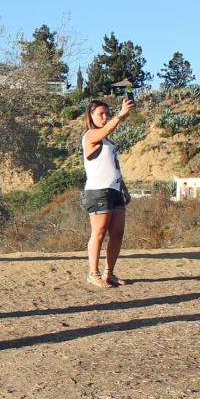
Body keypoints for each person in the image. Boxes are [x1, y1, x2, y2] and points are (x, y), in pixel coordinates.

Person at [81, 98, 134, 288]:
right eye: (100, 114)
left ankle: (108, 273)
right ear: (91, 116)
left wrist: (124, 190)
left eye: (106, 113)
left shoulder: (108, 142)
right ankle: (93, 273)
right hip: (98, 191)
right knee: (99, 233)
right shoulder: (90, 136)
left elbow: (114, 167)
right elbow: (106, 130)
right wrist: (121, 114)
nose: (104, 117)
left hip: (115, 190)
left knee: (117, 232)